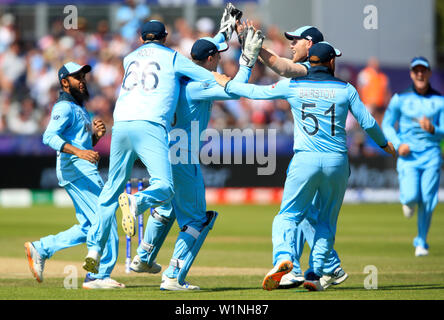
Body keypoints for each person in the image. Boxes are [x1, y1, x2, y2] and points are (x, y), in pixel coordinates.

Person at [213, 41, 396, 291]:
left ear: (310, 62)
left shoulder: (294, 85)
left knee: (288, 215)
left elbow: (257, 93)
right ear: (332, 62)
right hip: (336, 161)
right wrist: (384, 144)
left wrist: (227, 83)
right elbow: (368, 122)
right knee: (326, 221)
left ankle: (284, 258)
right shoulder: (346, 89)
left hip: (305, 159)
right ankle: (315, 273)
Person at [82, 16, 240, 274]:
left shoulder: (128, 58)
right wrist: (223, 75)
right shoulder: (173, 58)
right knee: (165, 187)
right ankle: (137, 202)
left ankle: (94, 250)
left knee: (110, 192)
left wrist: (223, 35)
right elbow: (203, 71)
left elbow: (201, 54)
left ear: (142, 39)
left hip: (120, 125)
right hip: (150, 125)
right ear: (166, 38)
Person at [129, 26, 263, 291]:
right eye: (218, 56)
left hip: (161, 150)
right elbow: (236, 90)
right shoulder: (199, 85)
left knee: (167, 208)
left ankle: (143, 258)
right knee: (197, 221)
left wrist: (222, 34)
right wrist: (247, 60)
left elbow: (203, 51)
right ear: (212, 59)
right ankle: (173, 276)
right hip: (183, 155)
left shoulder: (175, 74)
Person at [239, 24, 347, 289]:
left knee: (296, 213)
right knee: (306, 212)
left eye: (295, 41)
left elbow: (284, 68)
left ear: (310, 44)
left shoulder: (310, 70)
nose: (291, 45)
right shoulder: (317, 70)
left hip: (312, 154)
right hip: (322, 155)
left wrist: (256, 50)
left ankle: (307, 266)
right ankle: (316, 267)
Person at [24, 62, 124, 289]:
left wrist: (95, 137)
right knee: (105, 216)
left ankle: (42, 248)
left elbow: (81, 144)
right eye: (77, 77)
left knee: (90, 226)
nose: (82, 80)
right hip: (77, 170)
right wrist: (80, 152)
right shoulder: (64, 107)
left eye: (83, 76)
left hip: (80, 168)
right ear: (64, 82)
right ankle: (97, 276)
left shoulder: (78, 106)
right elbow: (49, 137)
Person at [382, 57, 444, 257]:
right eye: (416, 71)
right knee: (410, 197)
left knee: (428, 199)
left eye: (423, 70)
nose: (420, 74)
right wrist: (399, 145)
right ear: (411, 73)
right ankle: (407, 200)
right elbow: (387, 125)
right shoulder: (400, 98)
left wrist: (434, 129)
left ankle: (421, 241)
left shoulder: (439, 100)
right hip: (408, 156)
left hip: (431, 154)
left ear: (428, 73)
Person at [357, 57, 391, 125]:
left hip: (380, 105)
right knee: (367, 123)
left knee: (380, 122)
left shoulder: (382, 76)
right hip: (368, 104)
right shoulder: (365, 74)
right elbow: (359, 89)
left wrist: (387, 104)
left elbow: (386, 92)